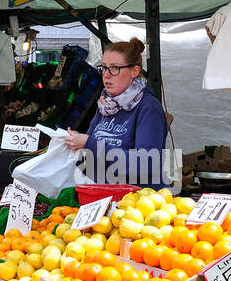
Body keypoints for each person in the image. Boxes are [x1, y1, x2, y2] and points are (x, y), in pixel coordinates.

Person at [63, 39, 169, 186]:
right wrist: (75, 145)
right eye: (104, 68)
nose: (106, 75)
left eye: (114, 68)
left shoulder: (148, 107)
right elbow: (90, 158)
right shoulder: (105, 106)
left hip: (137, 202)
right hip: (104, 197)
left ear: (134, 71)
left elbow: (147, 164)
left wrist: (89, 143)